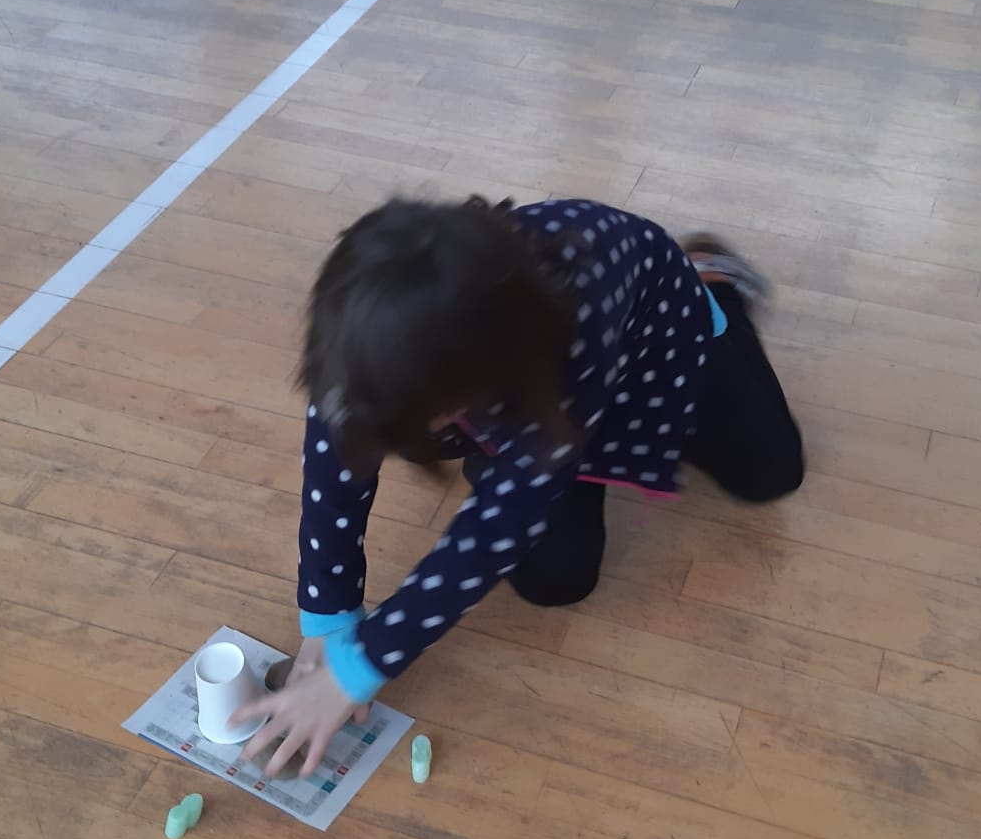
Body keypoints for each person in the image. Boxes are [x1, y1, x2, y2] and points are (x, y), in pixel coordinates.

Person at [236, 196, 804, 774]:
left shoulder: (558, 331)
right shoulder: (357, 350)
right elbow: (335, 462)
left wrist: (357, 669)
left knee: (772, 474)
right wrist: (330, 616)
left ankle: (713, 278)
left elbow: (496, 532)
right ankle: (504, 464)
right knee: (556, 580)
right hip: (524, 403)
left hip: (656, 341)